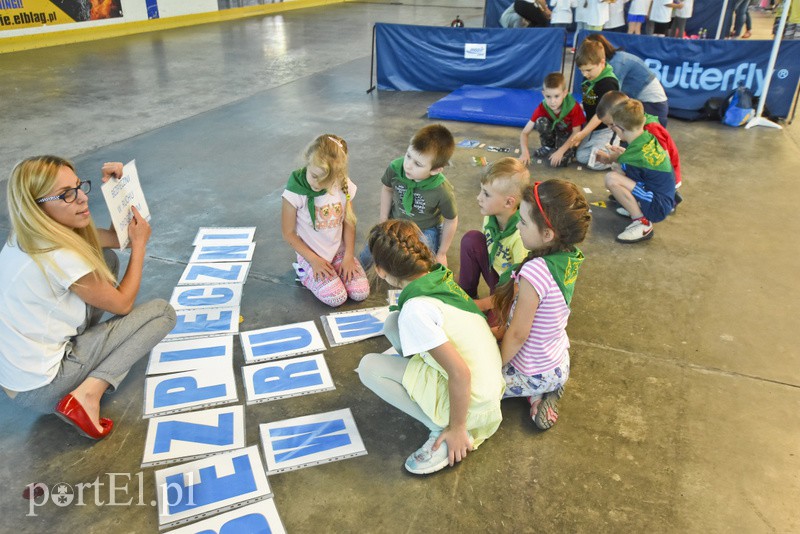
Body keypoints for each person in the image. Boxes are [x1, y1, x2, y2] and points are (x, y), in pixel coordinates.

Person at [0, 156, 176, 440]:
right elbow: (123, 303)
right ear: (37, 206)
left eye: (79, 187)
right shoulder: (60, 254)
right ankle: (86, 395)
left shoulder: (29, 233)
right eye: (67, 195)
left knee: (105, 260)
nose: (82, 198)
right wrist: (140, 247)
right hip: (41, 388)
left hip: (20, 380)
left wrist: (115, 190)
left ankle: (85, 356)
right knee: (162, 313)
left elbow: (116, 240)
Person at [357, 220, 504, 475]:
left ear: (380, 271)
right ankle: (443, 410)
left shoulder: (415, 309)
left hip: (473, 407)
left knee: (369, 367)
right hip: (489, 391)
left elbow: (460, 373)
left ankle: (442, 429)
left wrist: (457, 428)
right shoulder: (439, 276)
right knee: (393, 323)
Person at [490, 180, 590, 430]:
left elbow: (519, 334)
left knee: (474, 388)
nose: (518, 227)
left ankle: (538, 390)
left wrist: (494, 367)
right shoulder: (567, 257)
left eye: (523, 222)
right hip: (557, 360)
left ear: (547, 234)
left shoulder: (535, 270)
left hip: (533, 369)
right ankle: (543, 393)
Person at [282, 134, 370, 307]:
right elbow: (288, 233)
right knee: (336, 298)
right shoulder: (294, 192)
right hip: (311, 255)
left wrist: (348, 256)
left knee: (360, 293)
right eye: (315, 176)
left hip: (339, 251)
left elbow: (349, 221)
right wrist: (314, 260)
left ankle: (336, 268)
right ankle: (304, 273)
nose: (318, 184)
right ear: (308, 160)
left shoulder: (342, 184)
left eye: (326, 180)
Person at [359, 124, 457, 268]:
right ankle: (357, 271)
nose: (408, 165)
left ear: (436, 170)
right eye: (408, 155)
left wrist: (442, 253)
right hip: (396, 220)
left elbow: (451, 220)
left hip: (423, 229)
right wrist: (383, 220)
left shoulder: (442, 190)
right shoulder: (395, 168)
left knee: (422, 263)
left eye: (418, 164)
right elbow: (387, 189)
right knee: (373, 246)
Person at [458, 157, 531, 300]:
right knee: (471, 239)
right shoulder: (490, 218)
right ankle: (466, 295)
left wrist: (488, 303)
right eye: (481, 190)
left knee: (492, 322)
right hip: (495, 271)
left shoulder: (520, 236)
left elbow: (519, 286)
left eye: (486, 194)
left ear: (509, 202)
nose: (478, 197)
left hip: (510, 288)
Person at [604, 99, 676, 242]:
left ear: (619, 129)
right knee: (620, 173)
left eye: (613, 127)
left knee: (612, 178)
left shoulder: (631, 157)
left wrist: (616, 159)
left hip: (657, 206)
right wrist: (623, 157)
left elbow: (624, 171)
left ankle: (642, 222)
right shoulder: (646, 137)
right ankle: (636, 207)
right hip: (663, 197)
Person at [595, 91, 683, 206]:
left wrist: (620, 159)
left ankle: (663, 199)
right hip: (653, 174)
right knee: (623, 166)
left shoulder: (652, 129)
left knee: (621, 167)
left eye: (612, 124)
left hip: (664, 182)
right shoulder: (636, 125)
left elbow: (663, 160)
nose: (611, 128)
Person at [585, 34, 670, 126]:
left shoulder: (617, 63)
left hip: (654, 107)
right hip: (643, 103)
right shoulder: (612, 60)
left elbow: (611, 101)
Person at [570, 40, 621, 170]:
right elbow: (589, 100)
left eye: (588, 70)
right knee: (581, 156)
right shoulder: (589, 77)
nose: (585, 74)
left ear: (602, 62)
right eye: (581, 71)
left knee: (595, 163)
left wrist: (583, 133)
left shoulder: (608, 83)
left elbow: (601, 114)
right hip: (593, 128)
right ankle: (605, 148)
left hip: (607, 129)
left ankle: (619, 156)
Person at [519, 72, 587, 168]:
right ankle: (548, 146)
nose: (552, 101)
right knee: (541, 121)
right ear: (543, 94)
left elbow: (576, 133)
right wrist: (525, 152)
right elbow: (524, 133)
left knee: (560, 162)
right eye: (548, 96)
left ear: (564, 93)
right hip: (556, 131)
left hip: (569, 136)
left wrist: (561, 151)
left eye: (556, 96)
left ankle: (567, 150)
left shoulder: (573, 107)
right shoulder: (543, 107)